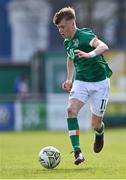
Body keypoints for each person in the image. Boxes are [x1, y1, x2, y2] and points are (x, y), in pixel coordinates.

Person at [53, 7, 113, 165]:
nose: (60, 30)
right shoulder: (67, 41)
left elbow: (104, 46)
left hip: (100, 83)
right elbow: (70, 57)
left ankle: (99, 132)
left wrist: (90, 54)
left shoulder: (86, 35)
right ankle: (77, 152)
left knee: (95, 124)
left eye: (63, 27)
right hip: (81, 82)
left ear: (72, 24)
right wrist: (69, 79)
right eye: (58, 27)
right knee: (70, 110)